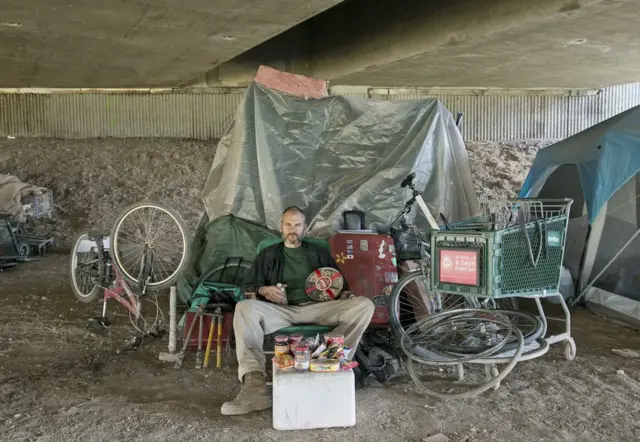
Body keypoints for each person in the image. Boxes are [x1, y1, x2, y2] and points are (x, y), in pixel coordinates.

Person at [220, 206, 375, 416]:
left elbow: (339, 285)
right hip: (280, 310)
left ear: (305, 228)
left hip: (318, 308)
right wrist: (263, 290)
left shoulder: (319, 252)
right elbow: (246, 287)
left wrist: (344, 294)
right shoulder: (268, 254)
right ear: (281, 227)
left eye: (297, 225)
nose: (292, 229)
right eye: (288, 225)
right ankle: (254, 385)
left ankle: (329, 358)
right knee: (244, 308)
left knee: (364, 305)